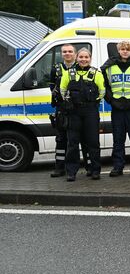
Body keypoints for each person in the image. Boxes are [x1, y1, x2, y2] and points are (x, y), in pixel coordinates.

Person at [101, 41, 130, 177]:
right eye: (122, 49)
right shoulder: (109, 66)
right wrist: (111, 100)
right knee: (118, 139)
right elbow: (104, 86)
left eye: (127, 49)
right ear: (118, 50)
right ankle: (117, 166)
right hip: (117, 108)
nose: (125, 51)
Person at [59, 48, 105, 181]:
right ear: (77, 58)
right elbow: (63, 90)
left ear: (90, 59)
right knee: (72, 143)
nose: (83, 59)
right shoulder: (69, 73)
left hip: (90, 111)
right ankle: (71, 172)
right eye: (81, 57)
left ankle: (95, 170)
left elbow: (102, 91)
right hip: (73, 112)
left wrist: (92, 103)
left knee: (93, 142)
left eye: (86, 57)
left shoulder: (96, 73)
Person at [49, 44, 77, 177]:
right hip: (61, 109)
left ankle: (84, 167)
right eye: (64, 51)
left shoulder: (80, 67)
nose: (67, 54)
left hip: (77, 108)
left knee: (78, 139)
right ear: (61, 54)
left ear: (75, 53)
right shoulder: (55, 68)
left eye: (70, 51)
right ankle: (59, 167)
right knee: (61, 139)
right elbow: (52, 87)